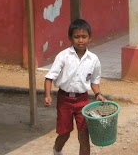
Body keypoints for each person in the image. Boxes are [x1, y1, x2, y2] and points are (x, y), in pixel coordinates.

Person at [44, 19, 106, 155]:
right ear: (70, 38)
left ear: (89, 38)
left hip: (83, 101)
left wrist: (98, 94)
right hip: (64, 100)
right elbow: (49, 78)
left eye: (84, 37)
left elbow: (94, 81)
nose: (80, 40)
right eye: (76, 37)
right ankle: (57, 150)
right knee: (64, 133)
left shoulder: (93, 59)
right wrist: (48, 95)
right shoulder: (63, 56)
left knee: (84, 135)